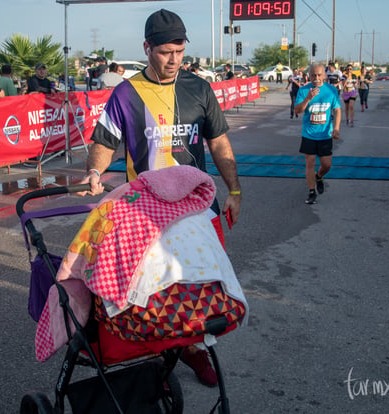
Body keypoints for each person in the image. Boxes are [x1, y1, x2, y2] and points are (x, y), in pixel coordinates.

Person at [79, 8, 242, 387]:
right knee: (154, 292)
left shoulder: (198, 88)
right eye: (165, 52)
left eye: (179, 51)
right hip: (147, 211)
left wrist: (234, 190)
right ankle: (158, 356)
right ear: (147, 48)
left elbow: (219, 142)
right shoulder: (126, 93)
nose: (174, 60)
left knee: (201, 288)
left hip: (198, 208)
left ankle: (194, 349)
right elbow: (103, 142)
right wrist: (94, 172)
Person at [295, 62, 341, 205]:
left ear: (324, 75)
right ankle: (311, 191)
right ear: (309, 76)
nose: (316, 78)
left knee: (326, 165)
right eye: (313, 75)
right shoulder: (303, 91)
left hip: (325, 134)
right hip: (309, 133)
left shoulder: (331, 90)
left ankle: (319, 176)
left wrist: (337, 128)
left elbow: (337, 110)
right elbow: (297, 110)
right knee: (310, 162)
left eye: (319, 75)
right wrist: (308, 98)